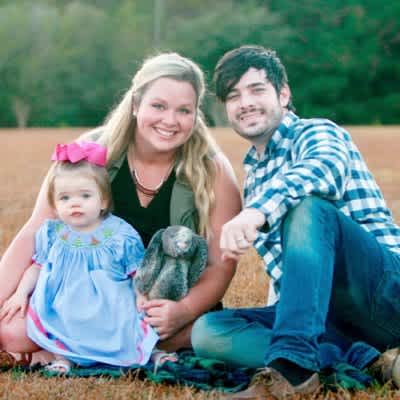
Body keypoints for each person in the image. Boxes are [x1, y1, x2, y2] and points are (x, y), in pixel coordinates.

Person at [0, 52, 241, 367]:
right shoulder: (89, 153)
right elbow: (35, 230)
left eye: (184, 110)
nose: (170, 121)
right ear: (135, 104)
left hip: (157, 307)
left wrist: (184, 311)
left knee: (193, 332)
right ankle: (92, 350)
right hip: (86, 301)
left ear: (195, 115)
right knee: (12, 332)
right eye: (158, 106)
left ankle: (68, 352)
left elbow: (220, 264)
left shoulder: (213, 169)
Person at [191, 45, 400, 399]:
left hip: (383, 294)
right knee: (210, 331)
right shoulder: (255, 178)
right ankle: (369, 362)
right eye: (234, 96)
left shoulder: (316, 132)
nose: (245, 103)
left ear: (284, 94)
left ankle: (292, 371)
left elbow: (322, 169)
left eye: (257, 90)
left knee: (307, 207)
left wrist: (255, 212)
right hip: (327, 319)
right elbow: (291, 276)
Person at [0, 142, 159, 373]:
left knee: (129, 324)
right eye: (65, 198)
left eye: (85, 195)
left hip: (108, 304)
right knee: (57, 322)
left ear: (103, 201)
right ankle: (62, 358)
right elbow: (37, 267)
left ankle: (151, 354)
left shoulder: (120, 234)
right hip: (62, 303)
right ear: (54, 205)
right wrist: (20, 293)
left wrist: (142, 296)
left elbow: (136, 272)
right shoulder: (52, 233)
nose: (75, 203)